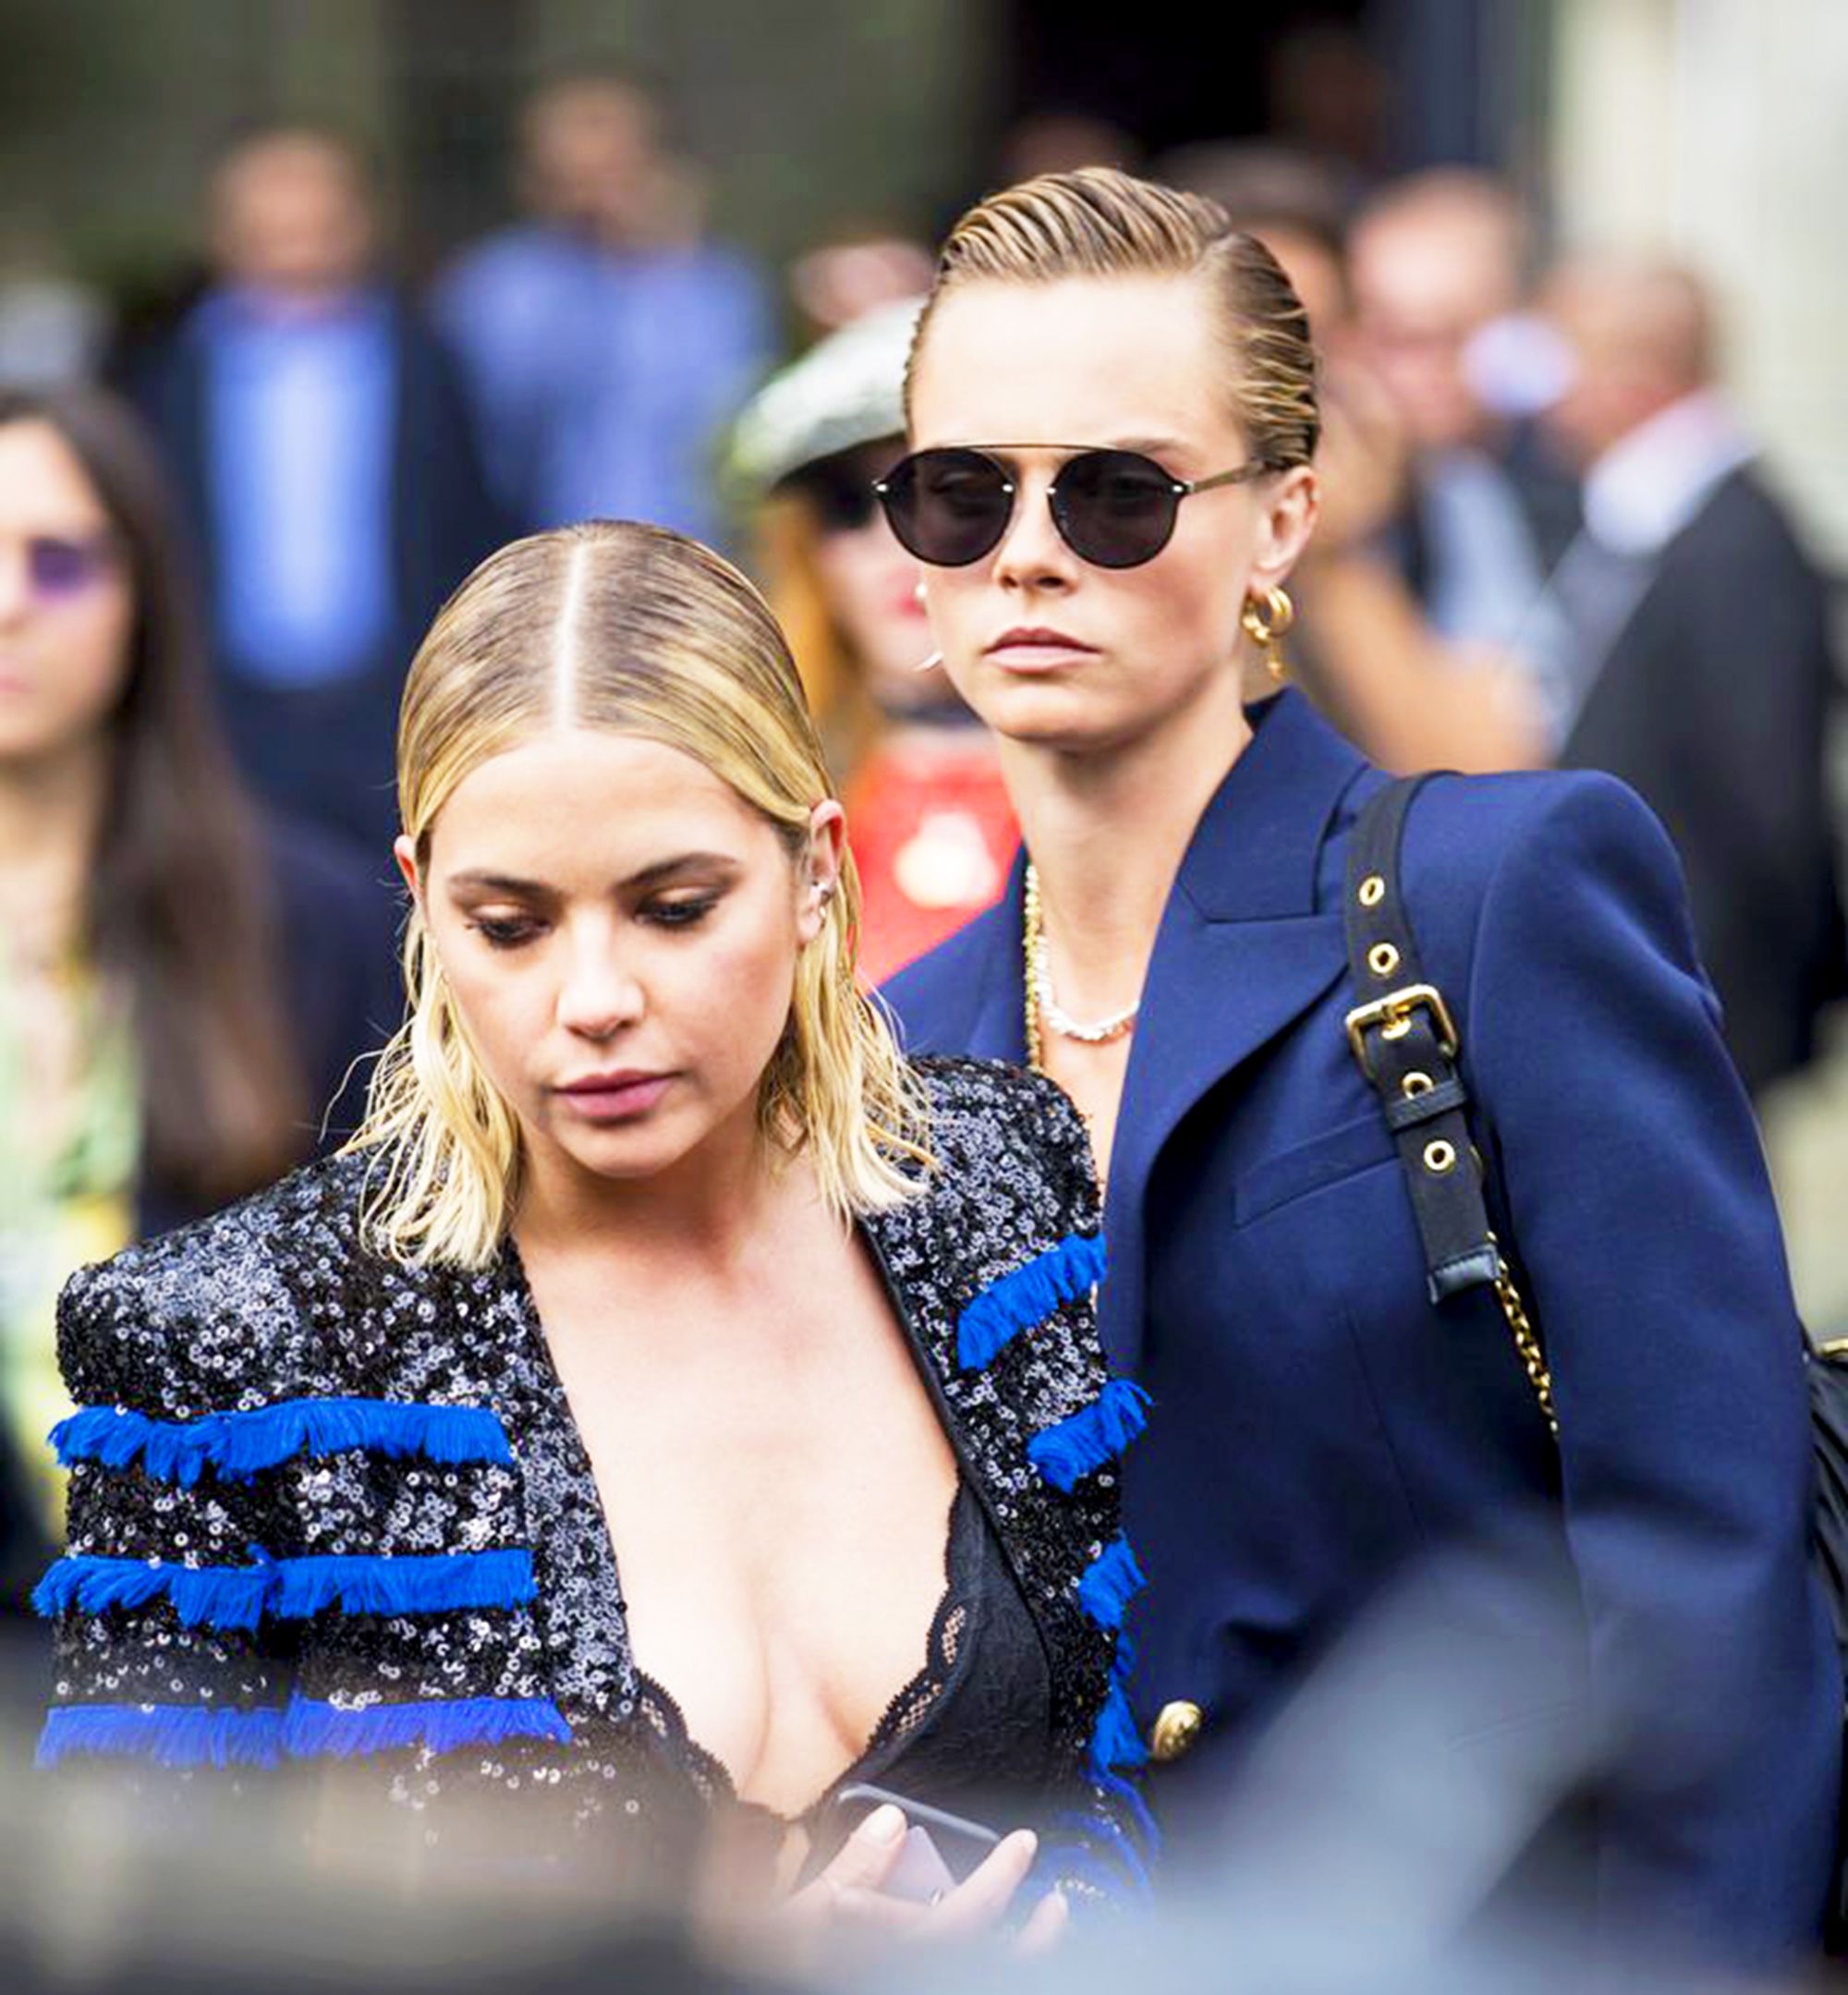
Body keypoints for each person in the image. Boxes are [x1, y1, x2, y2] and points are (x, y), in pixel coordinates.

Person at [879, 169, 1837, 1964]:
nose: (1024, 550)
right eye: (958, 490)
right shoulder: (898, 1047)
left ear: (1281, 522)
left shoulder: (1497, 894)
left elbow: (1707, 1570)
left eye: (1115, 490)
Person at [32, 519, 1151, 1944]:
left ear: (815, 868)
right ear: (421, 897)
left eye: (675, 908)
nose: (596, 994)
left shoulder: (996, 1183)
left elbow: (1126, 1760)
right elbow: (131, 1946)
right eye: (510, 925)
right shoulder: (234, 1345)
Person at [0, 383, 398, 1619]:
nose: (8, 604)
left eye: (58, 562)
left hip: (235, 1681)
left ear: (145, 596)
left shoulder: (313, 923)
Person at [123, 125, 498, 853]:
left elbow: (471, 522)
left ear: (361, 223)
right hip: (222, 712)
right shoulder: (164, 375)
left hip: (392, 702)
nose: (296, 246)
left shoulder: (431, 362)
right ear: (224, 233)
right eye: (271, 226)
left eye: (316, 223)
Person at [1534, 254, 1843, 1096]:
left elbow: (1763, 815)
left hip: (1690, 1015)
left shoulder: (1736, 542)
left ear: (1635, 376)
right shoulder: (1649, 518)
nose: (1544, 388)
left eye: (1563, 355)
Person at [730, 301, 1016, 983]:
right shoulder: (755, 797)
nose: (894, 543)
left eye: (948, 494)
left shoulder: (1143, 784)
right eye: (846, 503)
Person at [433, 72, 773, 548]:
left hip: (689, 561)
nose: (596, 194)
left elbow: (732, 426)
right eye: (573, 176)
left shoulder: (715, 286)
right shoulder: (496, 287)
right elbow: (496, 433)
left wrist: (663, 262)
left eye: (615, 169)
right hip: (536, 564)